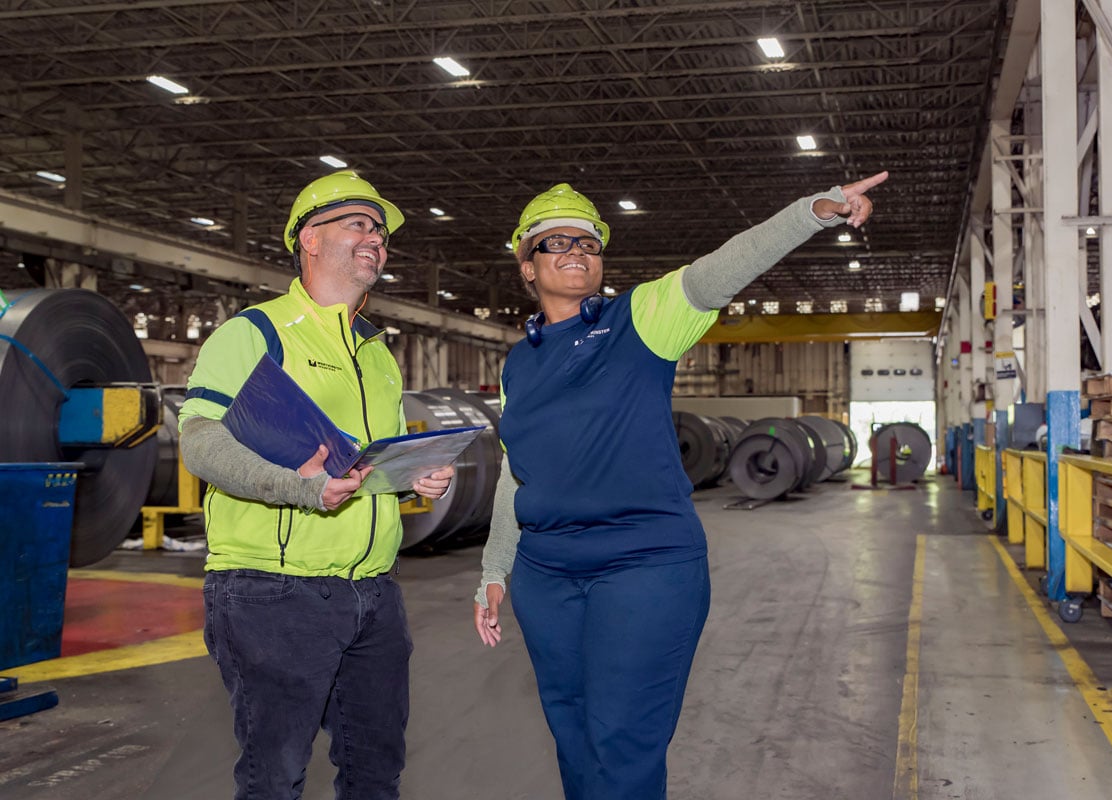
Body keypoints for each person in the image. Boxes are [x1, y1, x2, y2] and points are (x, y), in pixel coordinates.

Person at [473, 173, 887, 800]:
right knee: (575, 735)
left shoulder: (641, 320)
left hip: (643, 563)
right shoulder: (518, 362)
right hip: (547, 572)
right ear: (526, 266)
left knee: (624, 741)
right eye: (555, 243)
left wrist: (814, 210)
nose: (577, 251)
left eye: (588, 241)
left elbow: (723, 267)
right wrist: (495, 570)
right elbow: (514, 471)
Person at [178, 170, 454, 800]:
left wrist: (417, 479)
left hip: (374, 594)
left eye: (380, 232)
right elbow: (200, 441)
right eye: (358, 224)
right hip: (273, 593)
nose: (375, 240)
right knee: (276, 776)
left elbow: (363, 467)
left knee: (375, 770)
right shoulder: (258, 333)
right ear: (308, 238)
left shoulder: (376, 353)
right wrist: (295, 488)